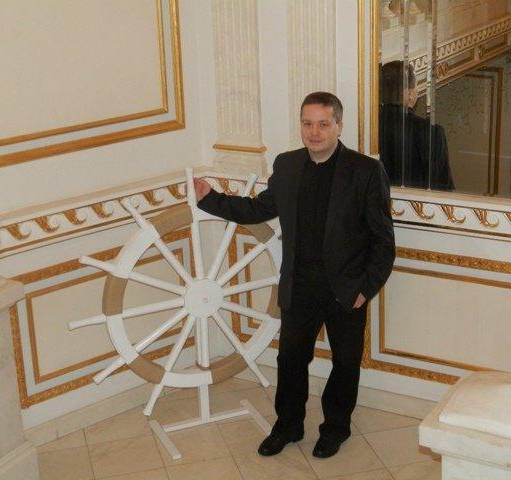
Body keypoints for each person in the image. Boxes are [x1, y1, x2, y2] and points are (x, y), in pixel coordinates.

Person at [194, 92, 395, 459]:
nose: (314, 132)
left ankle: (335, 429)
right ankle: (287, 426)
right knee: (289, 362)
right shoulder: (287, 165)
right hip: (299, 286)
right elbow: (258, 209)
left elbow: (383, 242)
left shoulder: (366, 171)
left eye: (323, 124)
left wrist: (365, 288)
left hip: (346, 289)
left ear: (338, 126)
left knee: (345, 364)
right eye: (307, 124)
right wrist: (209, 198)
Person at [379, 60, 454, 190]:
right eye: (416, 86)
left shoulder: (368, 128)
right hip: (416, 203)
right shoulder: (431, 132)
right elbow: (443, 188)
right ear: (409, 94)